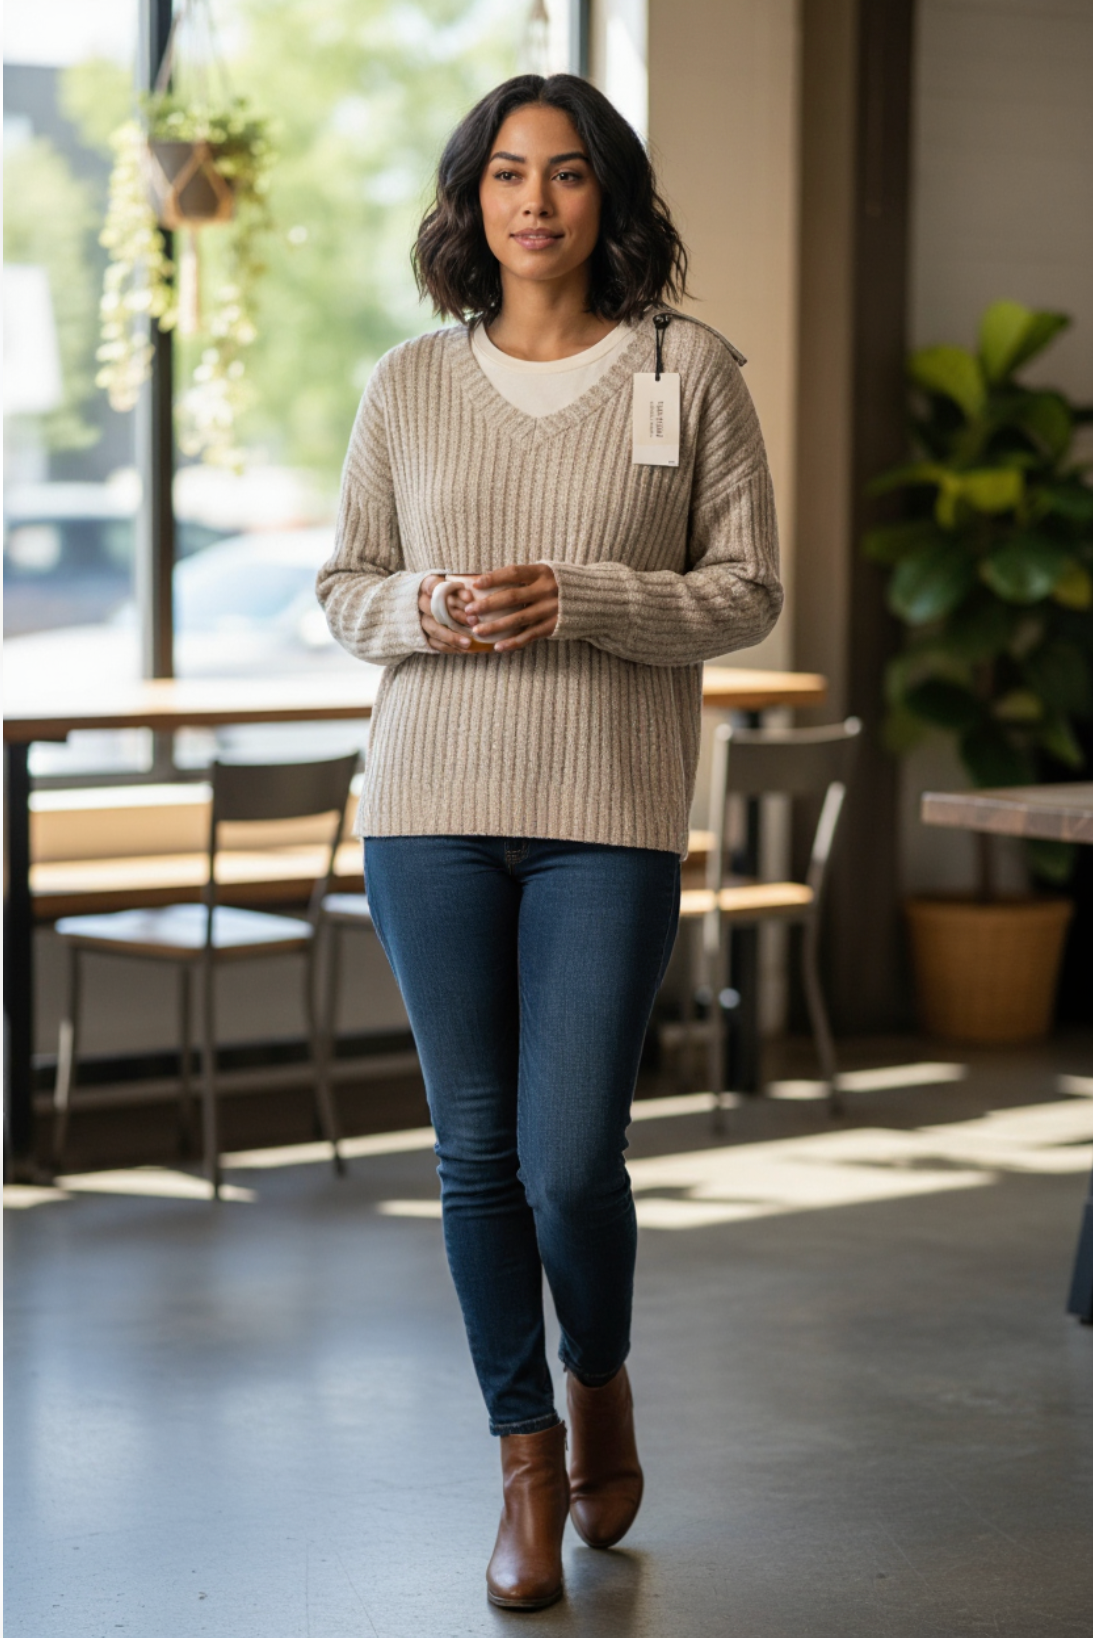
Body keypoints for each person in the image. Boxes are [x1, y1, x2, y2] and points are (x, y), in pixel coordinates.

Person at [316, 72, 782, 1611]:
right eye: (507, 173)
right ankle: (524, 1458)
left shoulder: (689, 369)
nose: (536, 200)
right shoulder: (405, 382)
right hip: (431, 807)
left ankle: (598, 1376)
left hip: (607, 814)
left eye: (569, 174)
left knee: (572, 1155)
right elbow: (345, 591)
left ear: (612, 199)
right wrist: (431, 609)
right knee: (474, 1153)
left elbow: (747, 590)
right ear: (470, 202)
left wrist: (581, 595)